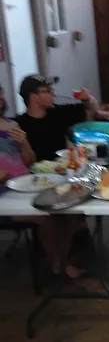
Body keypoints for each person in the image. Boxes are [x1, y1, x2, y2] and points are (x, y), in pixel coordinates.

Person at [0, 86, 84, 278]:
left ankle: (60, 257)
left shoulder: (11, 125)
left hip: (26, 183)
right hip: (4, 195)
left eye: (1, 99)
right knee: (46, 216)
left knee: (69, 211)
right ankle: (58, 263)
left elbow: (30, 160)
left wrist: (24, 143)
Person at [16, 75, 99, 161]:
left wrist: (88, 98)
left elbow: (92, 109)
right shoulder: (19, 125)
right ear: (34, 96)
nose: (53, 94)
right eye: (48, 91)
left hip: (64, 165)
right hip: (38, 168)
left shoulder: (58, 112)